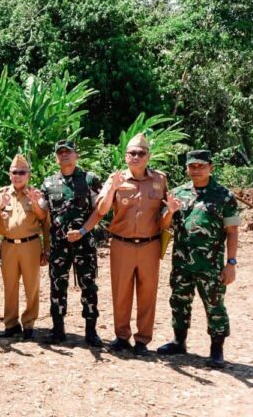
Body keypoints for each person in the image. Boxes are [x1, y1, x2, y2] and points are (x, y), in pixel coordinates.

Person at [95, 134, 179, 356]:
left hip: (149, 245)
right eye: (132, 153)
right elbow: (102, 210)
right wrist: (113, 188)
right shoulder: (115, 179)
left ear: (148, 156)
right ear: (125, 156)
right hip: (121, 244)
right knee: (121, 292)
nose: (136, 157)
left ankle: (142, 340)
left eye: (141, 153)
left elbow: (162, 218)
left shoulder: (159, 180)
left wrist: (170, 211)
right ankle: (122, 336)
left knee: (147, 293)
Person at [156, 150, 240, 368]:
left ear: (211, 167)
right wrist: (170, 212)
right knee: (179, 302)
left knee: (214, 306)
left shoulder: (224, 196)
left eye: (201, 166)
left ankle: (216, 349)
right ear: (187, 168)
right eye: (192, 166)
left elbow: (232, 231)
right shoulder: (177, 193)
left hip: (210, 265)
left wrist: (231, 264)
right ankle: (179, 341)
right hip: (182, 262)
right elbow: (163, 227)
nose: (196, 170)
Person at [40, 140, 103, 347]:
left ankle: (91, 331)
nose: (64, 155)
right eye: (60, 153)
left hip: (84, 242)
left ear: (76, 155)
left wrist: (84, 230)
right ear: (56, 157)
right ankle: (58, 330)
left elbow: (99, 210)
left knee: (89, 285)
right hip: (59, 244)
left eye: (68, 152)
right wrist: (33, 202)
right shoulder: (48, 183)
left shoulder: (90, 180)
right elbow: (43, 213)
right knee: (57, 286)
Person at [0, 154, 47, 340]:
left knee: (32, 287)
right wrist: (0, 206)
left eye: (22, 172)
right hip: (9, 246)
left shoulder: (35, 194)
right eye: (14, 172)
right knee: (10, 287)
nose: (18, 176)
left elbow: (44, 220)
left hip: (31, 245)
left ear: (28, 175)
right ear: (9, 174)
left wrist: (47, 249)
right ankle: (11, 324)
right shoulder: (1, 194)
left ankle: (29, 324)